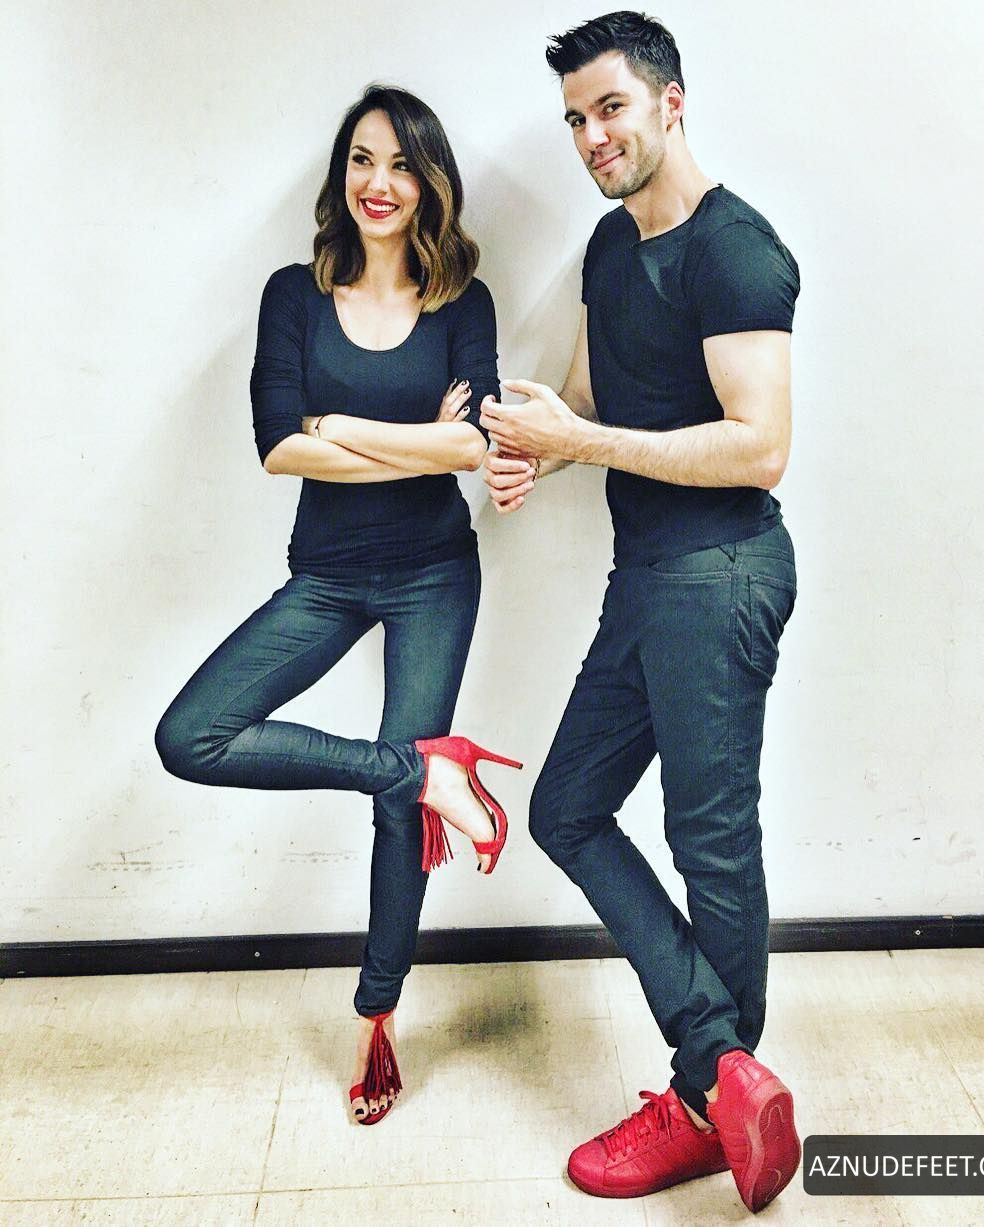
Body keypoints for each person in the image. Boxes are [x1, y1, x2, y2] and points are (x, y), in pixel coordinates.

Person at [481, 12, 801, 1213]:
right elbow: (586, 402)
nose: (591, 136)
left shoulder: (736, 250)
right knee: (566, 807)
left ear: (672, 102)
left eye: (610, 107)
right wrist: (535, 444)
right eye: (575, 118)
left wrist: (585, 438)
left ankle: (708, 1104)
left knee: (710, 842)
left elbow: (760, 446)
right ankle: (724, 1069)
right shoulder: (612, 248)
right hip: (650, 576)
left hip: (720, 572)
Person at [155, 85, 520, 1129]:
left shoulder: (464, 301)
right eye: (362, 159)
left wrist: (340, 424)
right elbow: (277, 449)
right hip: (325, 574)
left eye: (401, 163)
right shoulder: (294, 295)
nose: (379, 182)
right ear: (341, 173)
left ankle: (378, 1016)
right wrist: (412, 443)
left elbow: (472, 447)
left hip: (435, 573)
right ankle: (422, 769)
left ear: (430, 182)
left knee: (396, 820)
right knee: (193, 734)